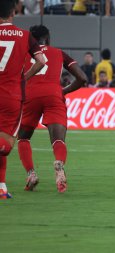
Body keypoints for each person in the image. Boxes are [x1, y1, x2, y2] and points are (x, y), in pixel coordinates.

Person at [17, 25, 87, 193]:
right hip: (53, 95)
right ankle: (59, 165)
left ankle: (31, 174)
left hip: (30, 95)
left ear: (31, 40)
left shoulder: (24, 54)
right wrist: (63, 91)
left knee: (23, 138)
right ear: (47, 38)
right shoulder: (59, 53)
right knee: (58, 140)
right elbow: (82, 78)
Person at [0, 0, 45, 199]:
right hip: (11, 95)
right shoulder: (25, 36)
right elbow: (41, 61)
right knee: (5, 146)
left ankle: (1, 187)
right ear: (13, 12)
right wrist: (25, 77)